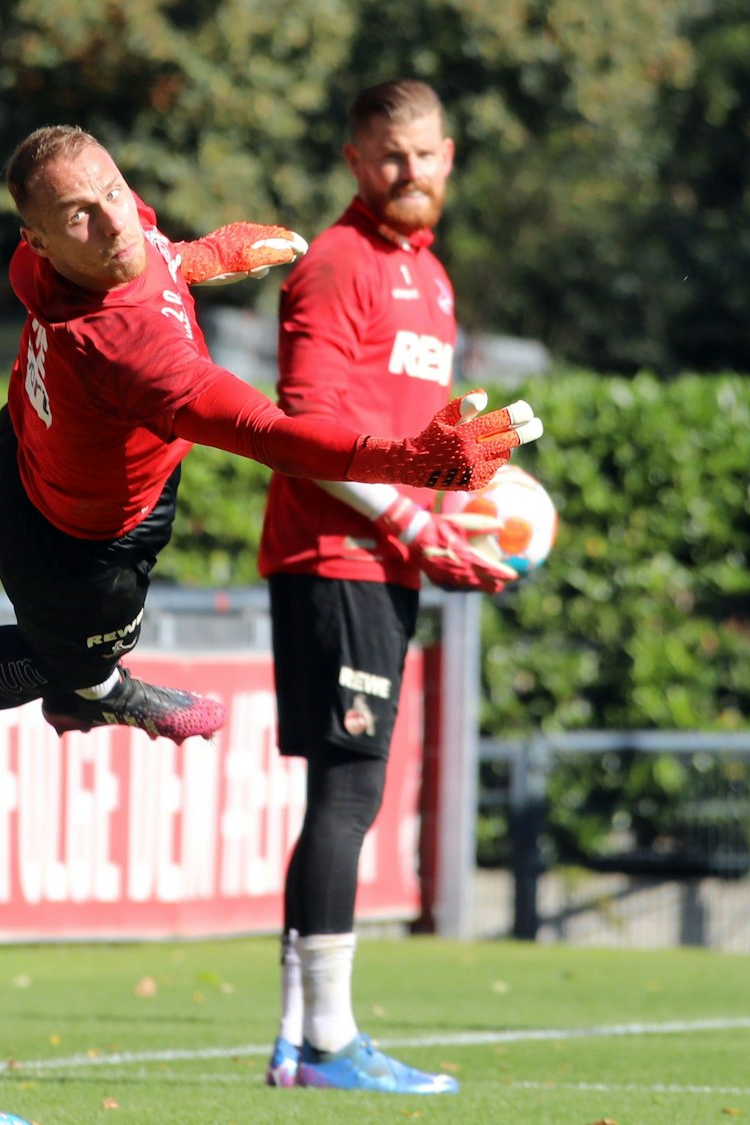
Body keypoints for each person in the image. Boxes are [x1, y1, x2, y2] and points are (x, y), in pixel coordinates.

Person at [0, 124, 544, 798]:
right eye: (79, 214)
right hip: (80, 544)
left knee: (75, 654)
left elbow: (150, 248)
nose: (115, 222)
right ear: (41, 242)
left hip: (30, 455)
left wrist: (200, 256)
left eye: (112, 192)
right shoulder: (127, 351)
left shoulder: (79, 247)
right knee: (65, 662)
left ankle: (82, 686)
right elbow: (274, 435)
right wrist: (409, 459)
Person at [256, 79, 512, 1097]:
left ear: (448, 154)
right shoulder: (334, 263)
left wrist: (445, 507)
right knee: (348, 790)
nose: (407, 172)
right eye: (386, 156)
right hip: (336, 554)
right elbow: (303, 429)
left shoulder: (433, 278)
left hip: (386, 554)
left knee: (343, 791)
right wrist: (410, 522)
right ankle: (325, 1043)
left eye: (423, 154)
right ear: (357, 163)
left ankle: (296, 1042)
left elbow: (405, 438)